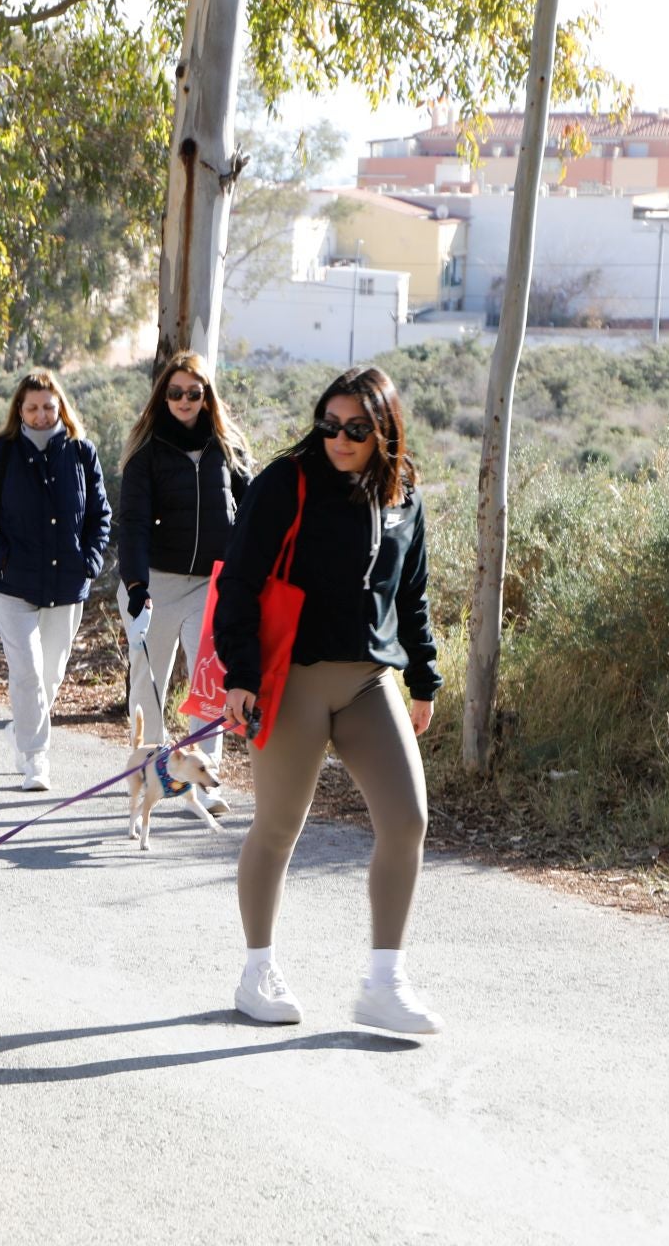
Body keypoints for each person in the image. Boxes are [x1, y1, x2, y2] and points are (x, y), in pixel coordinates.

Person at [215, 366, 443, 1035]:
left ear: (385, 430)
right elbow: (240, 582)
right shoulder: (287, 483)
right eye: (329, 425)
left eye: (356, 429)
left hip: (370, 681)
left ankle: (384, 980)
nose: (339, 439)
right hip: (294, 681)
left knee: (407, 822)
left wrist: (424, 680)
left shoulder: (404, 495)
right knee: (280, 826)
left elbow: (413, 595)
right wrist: (241, 675)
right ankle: (257, 970)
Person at [116, 350, 251, 817]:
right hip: (154, 583)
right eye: (175, 392)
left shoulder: (227, 446)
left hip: (210, 586)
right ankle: (149, 772)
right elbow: (132, 523)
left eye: (194, 393)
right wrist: (136, 586)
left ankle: (204, 783)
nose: (185, 400)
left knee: (209, 685)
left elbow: (251, 511)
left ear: (206, 396)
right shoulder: (148, 451)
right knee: (148, 687)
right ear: (163, 396)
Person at [0, 370, 111, 791]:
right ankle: (34, 759)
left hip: (66, 583)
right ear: (19, 411)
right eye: (32, 407)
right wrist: (0, 557)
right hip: (11, 584)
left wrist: (90, 560)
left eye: (49, 406)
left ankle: (21, 728)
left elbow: (100, 514)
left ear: (60, 406)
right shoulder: (2, 453)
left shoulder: (82, 453)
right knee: (27, 671)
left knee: (50, 676)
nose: (42, 415)